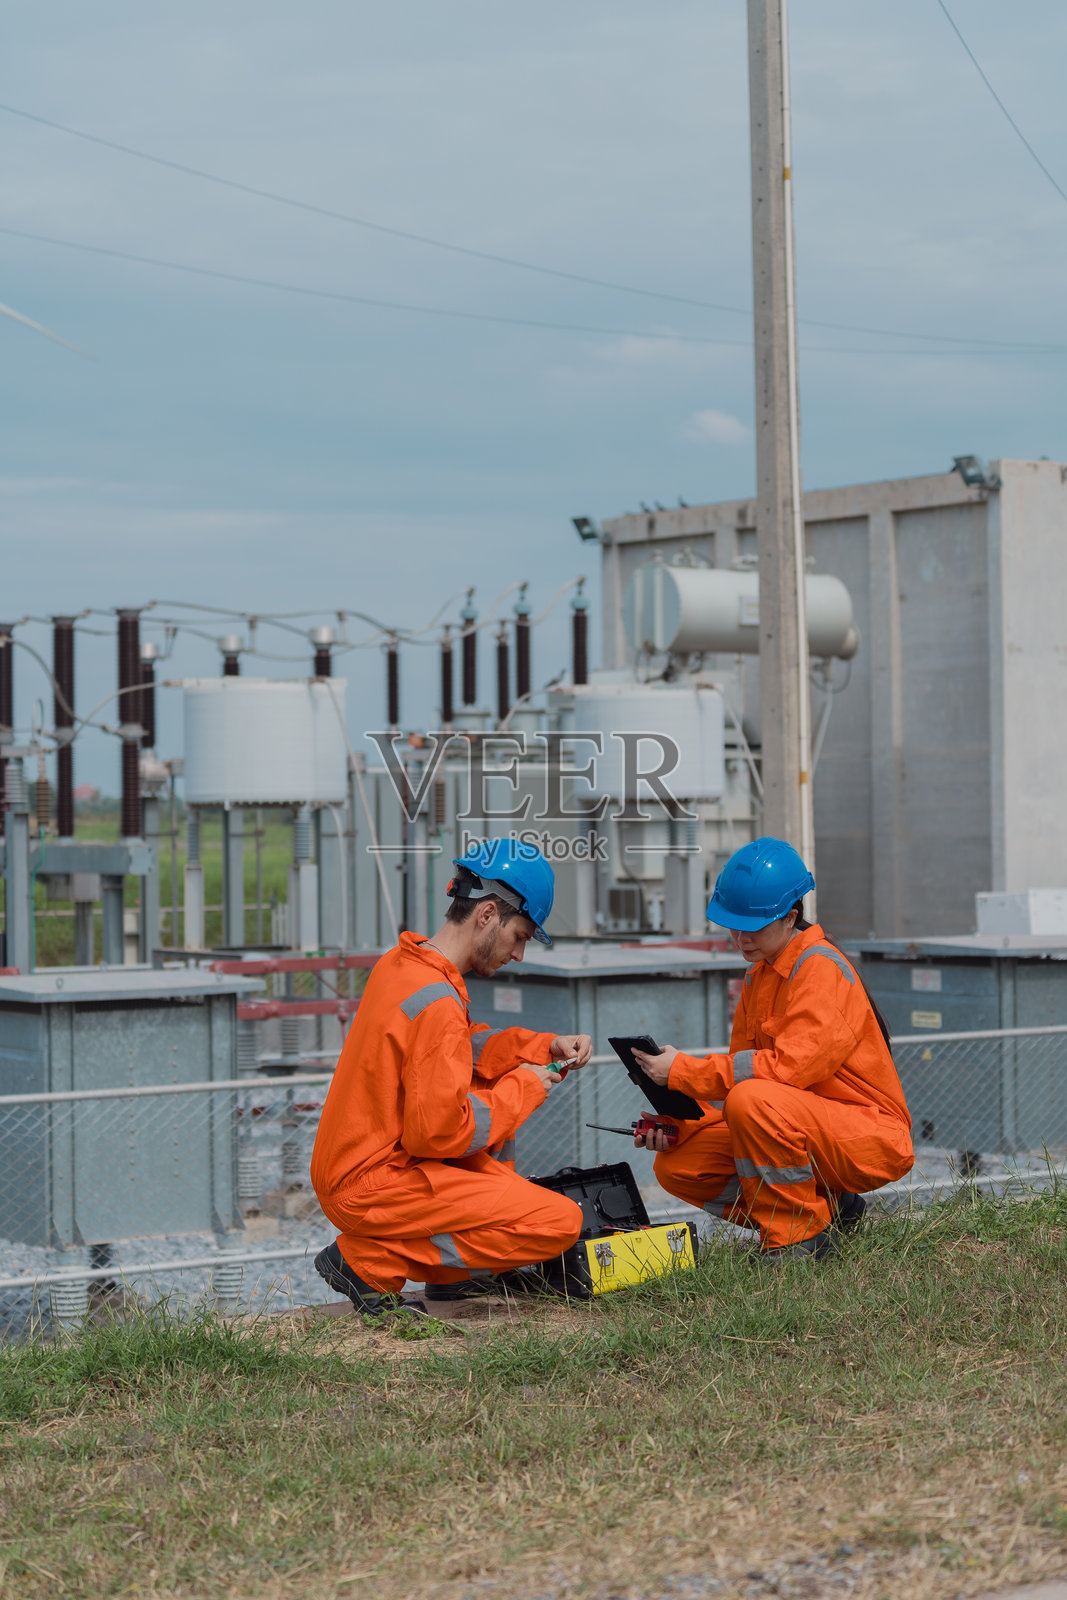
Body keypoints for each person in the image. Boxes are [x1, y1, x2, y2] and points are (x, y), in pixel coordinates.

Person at [310, 838, 590, 1314]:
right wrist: (524, 1089)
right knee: (558, 1222)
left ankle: (456, 1277)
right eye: (519, 936)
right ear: (486, 915)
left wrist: (542, 1047)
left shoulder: (405, 964)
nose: (519, 954)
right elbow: (437, 1133)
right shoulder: (438, 999)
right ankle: (365, 1259)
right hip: (374, 1182)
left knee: (486, 1091)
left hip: (354, 1167)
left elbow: (460, 1048)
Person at [633, 837, 913, 1262]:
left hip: (870, 1134)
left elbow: (784, 1072)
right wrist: (682, 1126)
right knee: (678, 1166)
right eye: (733, 925)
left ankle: (801, 1241)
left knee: (754, 1098)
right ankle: (830, 1210)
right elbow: (741, 1086)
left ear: (790, 918)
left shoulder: (820, 967)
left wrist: (683, 1071)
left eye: (753, 927)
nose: (741, 938)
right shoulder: (759, 977)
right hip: (804, 1125)